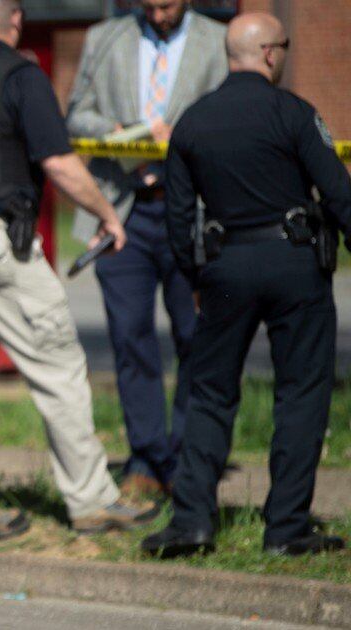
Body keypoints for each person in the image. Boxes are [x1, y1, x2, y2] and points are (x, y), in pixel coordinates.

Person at [0, 0, 157, 548]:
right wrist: (108, 214)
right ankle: (92, 500)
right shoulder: (21, 76)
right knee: (59, 370)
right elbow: (59, 163)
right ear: (16, 21)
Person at [142, 12, 351, 559]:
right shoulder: (294, 114)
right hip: (294, 265)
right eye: (283, 46)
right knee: (300, 394)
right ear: (269, 54)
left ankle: (191, 522)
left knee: (210, 392)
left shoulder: (192, 122)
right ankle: (286, 529)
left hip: (225, 268)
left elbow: (177, 214)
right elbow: (338, 194)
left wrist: (193, 276)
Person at [66, 0, 227, 498]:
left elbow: (233, 114)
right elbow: (77, 116)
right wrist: (116, 136)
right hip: (122, 212)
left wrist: (183, 136)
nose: (160, 15)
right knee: (131, 341)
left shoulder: (218, 41)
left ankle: (185, 458)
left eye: (169, 5)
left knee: (194, 339)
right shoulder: (104, 39)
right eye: (151, 6)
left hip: (191, 210)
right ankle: (146, 457)